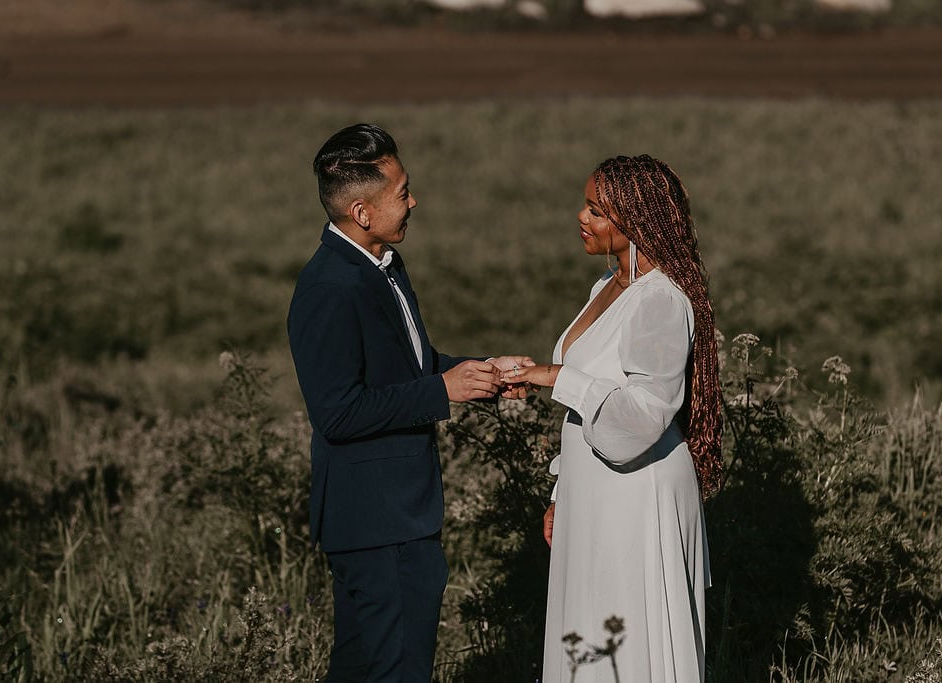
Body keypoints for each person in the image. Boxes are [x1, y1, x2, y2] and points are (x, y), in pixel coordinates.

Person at [287, 123, 532, 682]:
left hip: (395, 517)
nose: (413, 200)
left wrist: (481, 374)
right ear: (362, 212)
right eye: (401, 192)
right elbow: (338, 413)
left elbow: (412, 367)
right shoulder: (331, 287)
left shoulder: (384, 268)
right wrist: (442, 391)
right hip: (377, 522)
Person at [503, 155, 724, 682]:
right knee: (592, 632)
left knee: (626, 635)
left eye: (598, 211)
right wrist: (561, 492)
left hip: (636, 491)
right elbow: (592, 405)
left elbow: (645, 416)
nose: (582, 217)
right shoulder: (608, 286)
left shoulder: (660, 301)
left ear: (638, 222)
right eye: (586, 204)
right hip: (596, 490)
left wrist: (555, 378)